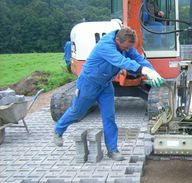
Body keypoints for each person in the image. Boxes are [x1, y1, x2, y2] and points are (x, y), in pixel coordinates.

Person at [53, 27, 165, 161]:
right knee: (77, 112)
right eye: (125, 47)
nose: (127, 50)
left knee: (109, 117)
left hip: (106, 85)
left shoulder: (125, 44)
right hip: (89, 83)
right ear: (117, 40)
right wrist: (142, 70)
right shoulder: (105, 46)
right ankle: (58, 130)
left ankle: (112, 150)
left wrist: (152, 71)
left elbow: (137, 57)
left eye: (129, 47)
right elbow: (122, 61)